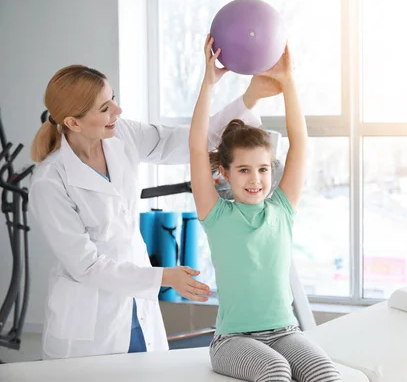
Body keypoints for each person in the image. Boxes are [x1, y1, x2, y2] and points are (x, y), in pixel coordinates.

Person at [28, 64, 280, 360]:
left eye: (114, 98)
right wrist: (164, 277)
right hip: (91, 321)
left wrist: (250, 96)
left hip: (138, 303)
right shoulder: (49, 182)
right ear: (74, 122)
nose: (118, 111)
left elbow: (189, 140)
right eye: (105, 108)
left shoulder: (121, 135)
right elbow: (86, 266)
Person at [189, 36, 341, 382]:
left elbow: (300, 143)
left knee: (326, 375)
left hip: (285, 332)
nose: (255, 179)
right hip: (232, 341)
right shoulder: (217, 215)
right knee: (276, 370)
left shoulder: (281, 209)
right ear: (224, 173)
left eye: (263, 169)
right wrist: (208, 82)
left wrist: (288, 84)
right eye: (243, 170)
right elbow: (197, 149)